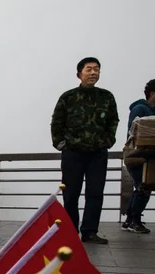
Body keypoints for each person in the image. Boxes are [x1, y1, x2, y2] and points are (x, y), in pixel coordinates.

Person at [51, 57, 119, 244]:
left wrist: (108, 140)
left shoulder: (107, 97)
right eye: (88, 69)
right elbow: (57, 122)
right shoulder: (68, 97)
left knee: (95, 192)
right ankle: (71, 231)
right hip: (73, 153)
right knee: (71, 193)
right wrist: (61, 144)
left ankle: (89, 231)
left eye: (96, 69)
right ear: (79, 74)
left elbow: (113, 120)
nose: (93, 72)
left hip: (98, 153)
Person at [122, 78, 155, 234]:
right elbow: (134, 132)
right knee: (143, 186)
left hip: (146, 155)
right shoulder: (140, 109)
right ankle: (134, 221)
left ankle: (130, 220)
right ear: (152, 93)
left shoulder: (152, 112)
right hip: (137, 154)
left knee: (142, 186)